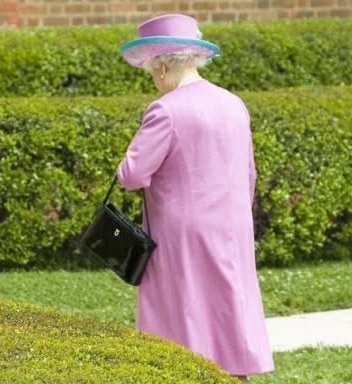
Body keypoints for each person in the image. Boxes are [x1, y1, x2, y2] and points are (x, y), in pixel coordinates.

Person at [116, 14, 275, 382]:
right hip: (232, 226)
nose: (153, 78)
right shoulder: (234, 104)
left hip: (181, 233)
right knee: (228, 311)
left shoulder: (165, 109)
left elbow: (132, 176)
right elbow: (248, 172)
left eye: (151, 70)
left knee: (184, 315)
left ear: (163, 65)